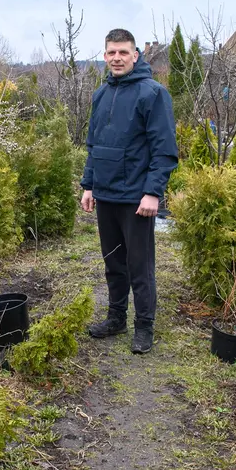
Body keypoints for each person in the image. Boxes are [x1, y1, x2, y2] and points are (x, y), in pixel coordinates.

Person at [80, 28, 178, 354]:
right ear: (105, 56)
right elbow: (94, 145)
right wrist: (89, 185)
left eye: (123, 52)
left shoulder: (152, 94)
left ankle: (144, 327)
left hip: (137, 198)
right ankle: (116, 318)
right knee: (113, 263)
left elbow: (164, 149)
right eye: (111, 52)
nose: (117, 58)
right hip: (106, 195)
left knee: (140, 266)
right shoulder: (101, 94)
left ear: (135, 55)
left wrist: (153, 192)